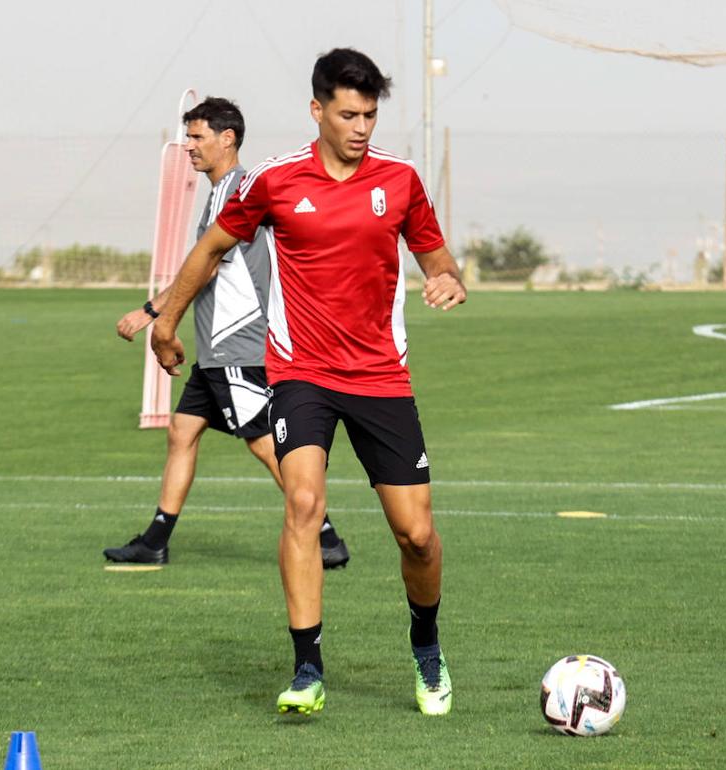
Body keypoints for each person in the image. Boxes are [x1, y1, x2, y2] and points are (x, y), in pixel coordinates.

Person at [148, 51, 467, 716]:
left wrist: (446, 278)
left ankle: (427, 647)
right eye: (348, 114)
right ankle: (307, 668)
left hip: (381, 375)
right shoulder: (277, 184)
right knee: (301, 502)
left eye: (371, 115)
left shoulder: (401, 181)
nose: (361, 127)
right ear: (317, 110)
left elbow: (437, 257)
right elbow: (210, 249)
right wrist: (166, 320)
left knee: (416, 534)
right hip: (302, 373)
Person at [104, 96, 350, 570]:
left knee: (263, 441)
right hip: (218, 349)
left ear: (227, 138)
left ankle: (325, 535)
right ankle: (156, 540)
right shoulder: (222, 190)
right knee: (182, 431)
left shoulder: (237, 191)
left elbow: (207, 268)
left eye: (197, 137)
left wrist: (151, 312)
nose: (189, 147)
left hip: (239, 344)